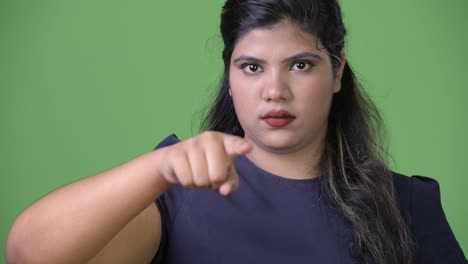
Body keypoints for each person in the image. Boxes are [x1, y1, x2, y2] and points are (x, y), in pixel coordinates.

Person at [5, 0, 467, 263]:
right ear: (229, 74)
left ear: (338, 72)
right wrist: (158, 166)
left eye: (301, 65)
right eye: (251, 67)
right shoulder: (173, 192)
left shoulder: (406, 204)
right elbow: (30, 255)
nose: (274, 91)